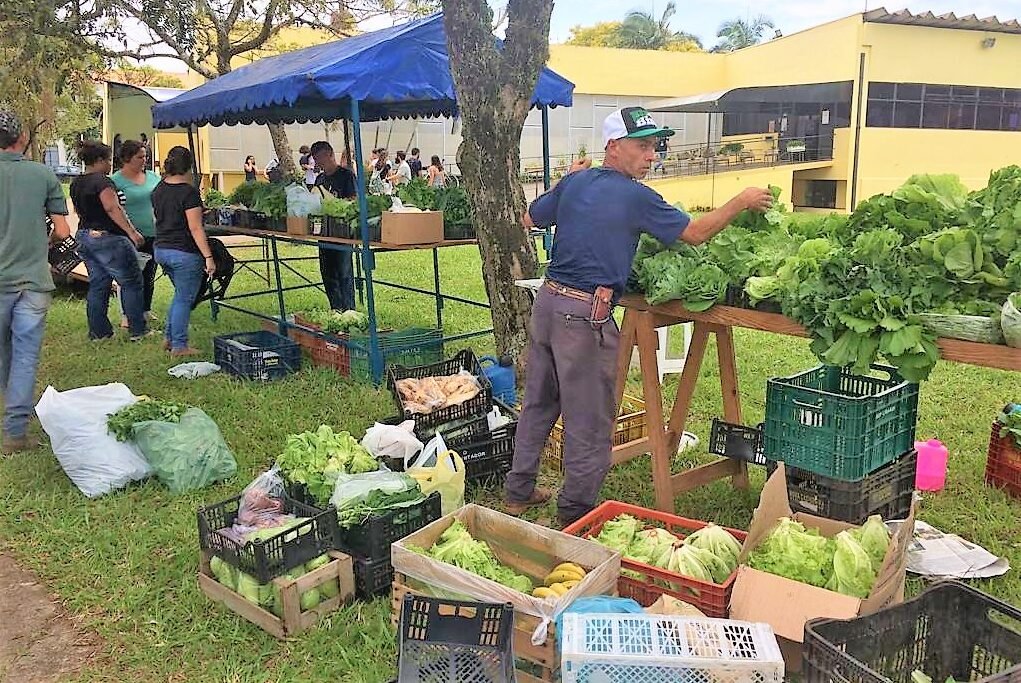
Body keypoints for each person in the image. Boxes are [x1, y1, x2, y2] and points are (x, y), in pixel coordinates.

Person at [503, 107, 772, 526]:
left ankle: (518, 494)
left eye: (655, 146)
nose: (652, 155)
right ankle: (576, 515)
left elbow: (528, 217)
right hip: (584, 317)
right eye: (642, 146)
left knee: (539, 403)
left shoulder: (576, 181)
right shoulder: (636, 196)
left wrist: (568, 178)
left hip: (548, 305)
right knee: (590, 421)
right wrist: (741, 201)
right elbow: (697, 235)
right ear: (613, 147)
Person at [0, 111, 72, 454]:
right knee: (25, 355)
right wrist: (38, 245)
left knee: (4, 353)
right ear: (21, 139)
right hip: (32, 281)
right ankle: (15, 432)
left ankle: (13, 409)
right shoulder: (42, 174)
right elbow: (62, 231)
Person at [69, 140, 149, 341]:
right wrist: (132, 232)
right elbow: (113, 208)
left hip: (85, 235)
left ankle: (99, 332)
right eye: (108, 160)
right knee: (131, 282)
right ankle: (138, 330)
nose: (110, 165)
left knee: (98, 284)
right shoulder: (102, 182)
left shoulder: (76, 182)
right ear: (99, 160)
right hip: (109, 237)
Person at [152, 146, 216, 356]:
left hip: (161, 248)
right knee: (184, 299)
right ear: (189, 166)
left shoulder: (159, 189)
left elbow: (161, 217)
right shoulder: (188, 192)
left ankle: (170, 339)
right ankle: (179, 345)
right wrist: (208, 256)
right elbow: (195, 228)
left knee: (179, 295)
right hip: (184, 252)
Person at [111, 140, 161, 326]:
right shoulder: (116, 181)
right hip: (128, 235)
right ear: (127, 158)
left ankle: (145, 309)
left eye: (145, 156)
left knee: (149, 274)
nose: (144, 160)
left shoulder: (153, 177)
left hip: (153, 232)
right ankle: (127, 314)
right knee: (130, 276)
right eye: (139, 157)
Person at [309, 140, 357, 311]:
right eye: (315, 159)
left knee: (344, 273)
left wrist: (336, 204)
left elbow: (353, 201)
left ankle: (349, 310)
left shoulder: (346, 175)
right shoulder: (320, 179)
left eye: (319, 158)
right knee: (327, 274)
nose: (318, 162)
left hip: (342, 233)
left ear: (330, 154)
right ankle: (335, 309)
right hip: (324, 233)